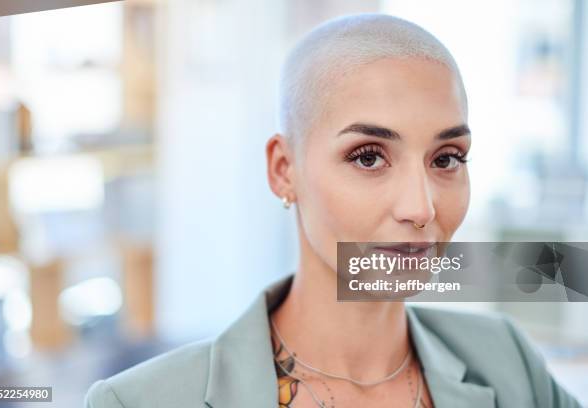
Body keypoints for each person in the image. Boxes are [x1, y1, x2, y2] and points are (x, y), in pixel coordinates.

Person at [85, 13, 582, 408]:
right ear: (284, 170)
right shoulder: (138, 401)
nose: (421, 207)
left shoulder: (508, 361)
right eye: (368, 157)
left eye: (446, 159)